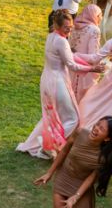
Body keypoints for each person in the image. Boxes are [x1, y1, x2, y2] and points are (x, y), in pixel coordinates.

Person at [16, 10, 103, 159]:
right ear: (57, 25)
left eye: (70, 27)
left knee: (53, 115)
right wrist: (92, 68)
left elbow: (69, 58)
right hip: (57, 82)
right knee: (73, 118)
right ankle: (46, 144)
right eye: (66, 27)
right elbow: (72, 65)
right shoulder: (62, 41)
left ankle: (41, 144)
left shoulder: (52, 36)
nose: (69, 30)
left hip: (47, 79)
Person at [69, 4, 102, 103]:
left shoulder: (74, 25)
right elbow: (93, 57)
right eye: (100, 15)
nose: (101, 18)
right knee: (82, 102)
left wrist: (73, 55)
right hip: (84, 71)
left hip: (70, 67)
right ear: (94, 16)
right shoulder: (94, 30)